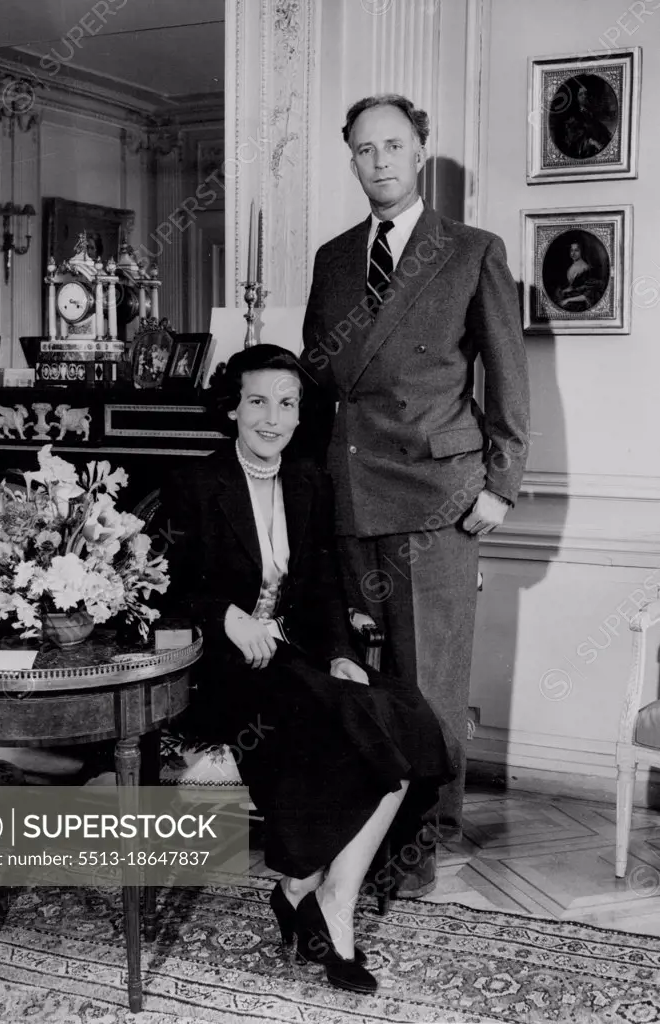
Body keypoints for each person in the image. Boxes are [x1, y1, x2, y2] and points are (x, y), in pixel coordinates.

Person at [160, 344, 453, 994]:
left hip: (297, 662)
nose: (272, 418)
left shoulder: (306, 482)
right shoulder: (193, 483)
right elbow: (166, 590)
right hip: (224, 674)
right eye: (258, 401)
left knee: (407, 719)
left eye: (286, 404)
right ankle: (317, 899)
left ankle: (317, 892)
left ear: (299, 414)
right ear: (232, 407)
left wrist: (344, 655)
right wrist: (226, 617)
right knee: (356, 725)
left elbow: (322, 586)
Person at [301, 94, 530, 898]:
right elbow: (319, 385)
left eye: (393, 145)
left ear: (420, 151)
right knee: (351, 679)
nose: (379, 162)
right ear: (351, 158)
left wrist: (499, 485)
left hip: (436, 497)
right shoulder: (332, 258)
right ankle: (351, 831)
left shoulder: (470, 250)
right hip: (348, 494)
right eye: (364, 149)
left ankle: (420, 841)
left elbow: (508, 376)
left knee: (428, 683)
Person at [554, 240, 604, 311]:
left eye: (576, 250)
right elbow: (574, 287)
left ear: (581, 252)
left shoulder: (586, 269)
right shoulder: (571, 267)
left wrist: (568, 300)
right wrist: (563, 291)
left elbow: (588, 295)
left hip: (581, 302)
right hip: (572, 296)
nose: (573, 253)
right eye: (571, 250)